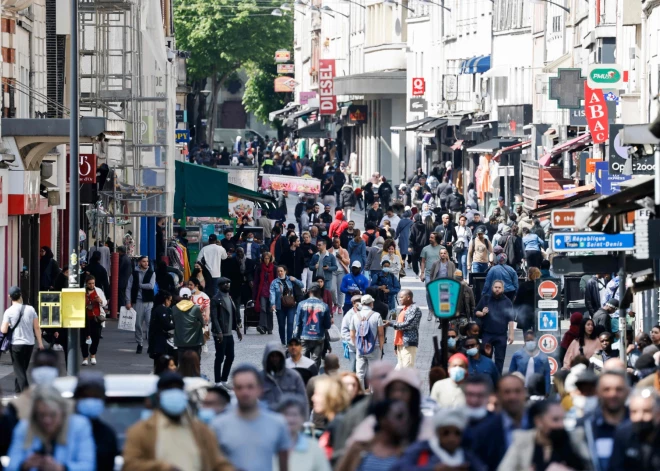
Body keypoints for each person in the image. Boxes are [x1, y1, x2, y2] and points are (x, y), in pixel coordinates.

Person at [124, 372, 233, 471]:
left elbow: (218, 462)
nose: (173, 394)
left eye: (177, 389)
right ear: (158, 396)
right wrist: (163, 468)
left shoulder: (201, 430)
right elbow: (130, 465)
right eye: (168, 389)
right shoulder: (140, 431)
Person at [213, 365, 291, 471]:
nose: (245, 392)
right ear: (234, 390)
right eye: (239, 387)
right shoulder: (218, 425)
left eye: (250, 387)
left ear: (260, 389)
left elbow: (284, 465)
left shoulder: (277, 423)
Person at [6, 386, 96, 471]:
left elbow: (88, 466)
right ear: (35, 415)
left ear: (63, 413)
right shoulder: (24, 427)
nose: (47, 420)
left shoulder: (79, 425)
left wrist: (61, 468)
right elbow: (10, 466)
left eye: (53, 415)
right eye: (42, 415)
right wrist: (25, 465)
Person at [498, 400, 589, 471]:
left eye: (563, 419)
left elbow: (592, 467)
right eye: (555, 420)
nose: (561, 425)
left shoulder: (574, 439)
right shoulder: (523, 440)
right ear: (539, 421)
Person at [468, 374, 529, 470]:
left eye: (517, 391)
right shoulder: (484, 432)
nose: (512, 397)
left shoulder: (538, 424)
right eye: (507, 392)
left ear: (525, 393)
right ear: (498, 396)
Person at [397, 408, 487, 470]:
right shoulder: (421, 449)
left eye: (457, 433)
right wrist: (432, 469)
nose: (451, 438)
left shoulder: (466, 456)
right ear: (437, 433)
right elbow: (400, 468)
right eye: (446, 433)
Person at [336, 400, 409, 471]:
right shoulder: (358, 449)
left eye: (408, 417)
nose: (404, 421)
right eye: (399, 416)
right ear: (383, 419)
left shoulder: (406, 455)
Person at [580, 370, 629, 471]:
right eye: (607, 389)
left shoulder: (638, 425)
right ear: (598, 392)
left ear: (627, 391)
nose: (613, 394)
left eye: (619, 389)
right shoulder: (585, 427)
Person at [1, 286, 44, 393]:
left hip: (16, 344)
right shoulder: (31, 309)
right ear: (21, 295)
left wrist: (9, 324)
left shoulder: (8, 311)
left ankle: (26, 393)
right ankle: (18, 392)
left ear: (9, 297)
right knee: (22, 369)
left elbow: (4, 330)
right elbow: (37, 327)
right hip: (29, 343)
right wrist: (40, 343)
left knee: (19, 370)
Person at [74, 373, 119, 471]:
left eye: (95, 397)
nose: (90, 401)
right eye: (86, 396)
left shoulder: (107, 435)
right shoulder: (62, 431)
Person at [275, 395, 331, 471]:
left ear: (303, 419)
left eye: (295, 415)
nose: (291, 419)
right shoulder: (269, 445)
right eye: (286, 414)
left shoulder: (314, 447)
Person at [609, 387, 660, 470]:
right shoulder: (623, 434)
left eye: (646, 411)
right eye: (634, 412)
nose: (639, 417)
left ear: (658, 414)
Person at [475, 280, 515, 373]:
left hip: (501, 335)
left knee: (499, 359)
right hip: (487, 333)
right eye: (495, 287)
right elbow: (476, 312)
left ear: (503, 289)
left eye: (499, 287)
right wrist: (482, 313)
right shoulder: (485, 299)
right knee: (485, 357)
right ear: (492, 288)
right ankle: (486, 377)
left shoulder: (507, 302)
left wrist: (511, 334)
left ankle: (497, 379)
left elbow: (511, 319)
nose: (497, 289)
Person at [210, 277, 243, 386]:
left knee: (231, 356)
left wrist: (237, 329)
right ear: (219, 286)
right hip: (220, 333)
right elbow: (214, 317)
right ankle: (217, 381)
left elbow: (233, 315)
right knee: (219, 357)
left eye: (228, 283)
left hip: (229, 333)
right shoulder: (215, 299)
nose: (227, 285)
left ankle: (224, 379)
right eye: (225, 284)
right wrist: (219, 331)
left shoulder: (230, 298)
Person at [351, 295, 385, 389]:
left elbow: (352, 334)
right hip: (374, 347)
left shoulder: (355, 316)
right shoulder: (376, 315)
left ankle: (360, 393)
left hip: (360, 348)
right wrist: (381, 346)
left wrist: (356, 345)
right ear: (371, 303)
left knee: (360, 373)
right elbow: (381, 333)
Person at [294, 285, 332, 368]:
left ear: (309, 292)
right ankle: (314, 377)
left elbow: (298, 323)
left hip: (304, 336)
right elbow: (327, 325)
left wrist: (296, 338)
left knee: (303, 361)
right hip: (318, 337)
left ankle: (306, 378)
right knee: (315, 361)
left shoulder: (301, 304)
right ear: (319, 293)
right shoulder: (324, 306)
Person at [313, 376, 352, 456]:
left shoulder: (339, 424)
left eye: (318, 394)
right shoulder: (332, 421)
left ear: (331, 396)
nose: (313, 398)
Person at [125, 255, 156, 354]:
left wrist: (139, 285)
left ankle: (151, 345)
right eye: (144, 261)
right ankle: (140, 343)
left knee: (150, 324)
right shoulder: (134, 274)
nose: (146, 263)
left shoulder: (152, 273)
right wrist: (128, 301)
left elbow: (151, 286)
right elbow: (128, 288)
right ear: (139, 263)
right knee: (138, 324)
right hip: (138, 301)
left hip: (149, 302)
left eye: (147, 261)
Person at [384, 289, 422, 369]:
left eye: (401, 297)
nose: (399, 299)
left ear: (408, 297)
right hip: (400, 344)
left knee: (407, 370)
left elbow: (408, 324)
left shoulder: (414, 309)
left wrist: (390, 323)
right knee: (399, 371)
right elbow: (398, 327)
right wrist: (395, 345)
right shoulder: (403, 309)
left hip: (408, 344)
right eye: (399, 297)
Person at [261, 342, 307, 406]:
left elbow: (303, 401)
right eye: (272, 356)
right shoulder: (258, 378)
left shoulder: (293, 376)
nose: (275, 359)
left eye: (277, 356)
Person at [509, 330, 551, 395]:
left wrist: (547, 390)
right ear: (525, 342)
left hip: (537, 389)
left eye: (532, 340)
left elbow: (547, 375)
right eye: (528, 341)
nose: (530, 342)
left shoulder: (543, 357)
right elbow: (512, 372)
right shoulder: (517, 355)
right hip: (521, 388)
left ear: (536, 341)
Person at [270, 265, 304, 345]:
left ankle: (289, 341)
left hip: (291, 305)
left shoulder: (291, 280)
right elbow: (272, 293)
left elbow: (302, 285)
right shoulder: (274, 282)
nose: (280, 273)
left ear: (285, 271)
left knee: (290, 323)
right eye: (278, 271)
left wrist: (295, 280)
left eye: (281, 271)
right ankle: (283, 340)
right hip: (280, 306)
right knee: (281, 325)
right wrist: (273, 304)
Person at [172, 287, 205, 362]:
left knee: (182, 364)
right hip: (195, 342)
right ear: (190, 297)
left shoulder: (174, 308)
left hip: (180, 342)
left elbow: (174, 323)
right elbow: (202, 322)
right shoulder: (196, 308)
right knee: (195, 364)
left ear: (180, 296)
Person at [81, 275, 107, 366]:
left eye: (93, 283)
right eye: (89, 284)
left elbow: (104, 303)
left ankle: (93, 355)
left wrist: (100, 300)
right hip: (85, 317)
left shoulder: (98, 291)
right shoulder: (82, 291)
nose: (92, 285)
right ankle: (85, 357)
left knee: (96, 338)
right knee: (84, 338)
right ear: (86, 284)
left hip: (96, 317)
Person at [254, 251, 278, 335]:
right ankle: (263, 326)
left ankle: (270, 328)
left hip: (271, 291)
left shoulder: (274, 268)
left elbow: (276, 280)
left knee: (270, 310)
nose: (266, 260)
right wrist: (255, 293)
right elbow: (256, 281)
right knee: (263, 308)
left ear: (271, 259)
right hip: (262, 291)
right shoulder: (259, 268)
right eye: (265, 258)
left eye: (268, 258)